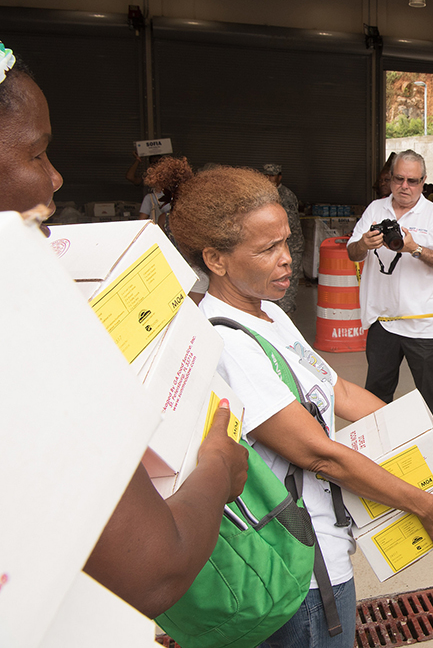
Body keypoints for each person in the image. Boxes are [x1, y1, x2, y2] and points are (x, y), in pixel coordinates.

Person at [147, 156, 433, 645]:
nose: (287, 258)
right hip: (301, 566)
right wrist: (424, 504)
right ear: (215, 259)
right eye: (268, 248)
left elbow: (337, 391)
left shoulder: (268, 315)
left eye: (285, 242)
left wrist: (425, 449)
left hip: (327, 542)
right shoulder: (227, 342)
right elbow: (319, 454)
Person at [0, 40, 249, 619]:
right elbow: (154, 568)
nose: (56, 178)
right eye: (36, 154)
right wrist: (217, 465)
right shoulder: (24, 332)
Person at [347, 150, 433, 440]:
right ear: (390, 179)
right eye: (398, 179)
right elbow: (351, 252)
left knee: (431, 402)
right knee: (376, 398)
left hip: (423, 324)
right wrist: (364, 243)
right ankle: (377, 458)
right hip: (383, 323)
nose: (404, 186)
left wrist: (414, 249)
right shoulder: (375, 209)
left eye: (412, 180)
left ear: (423, 182)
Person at [262, 163, 305, 314]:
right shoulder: (264, 194)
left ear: (279, 177)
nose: (268, 178)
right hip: (272, 248)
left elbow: (288, 225)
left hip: (290, 248)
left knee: (287, 286)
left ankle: (286, 319)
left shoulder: (285, 196)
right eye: (266, 175)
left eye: (272, 175)